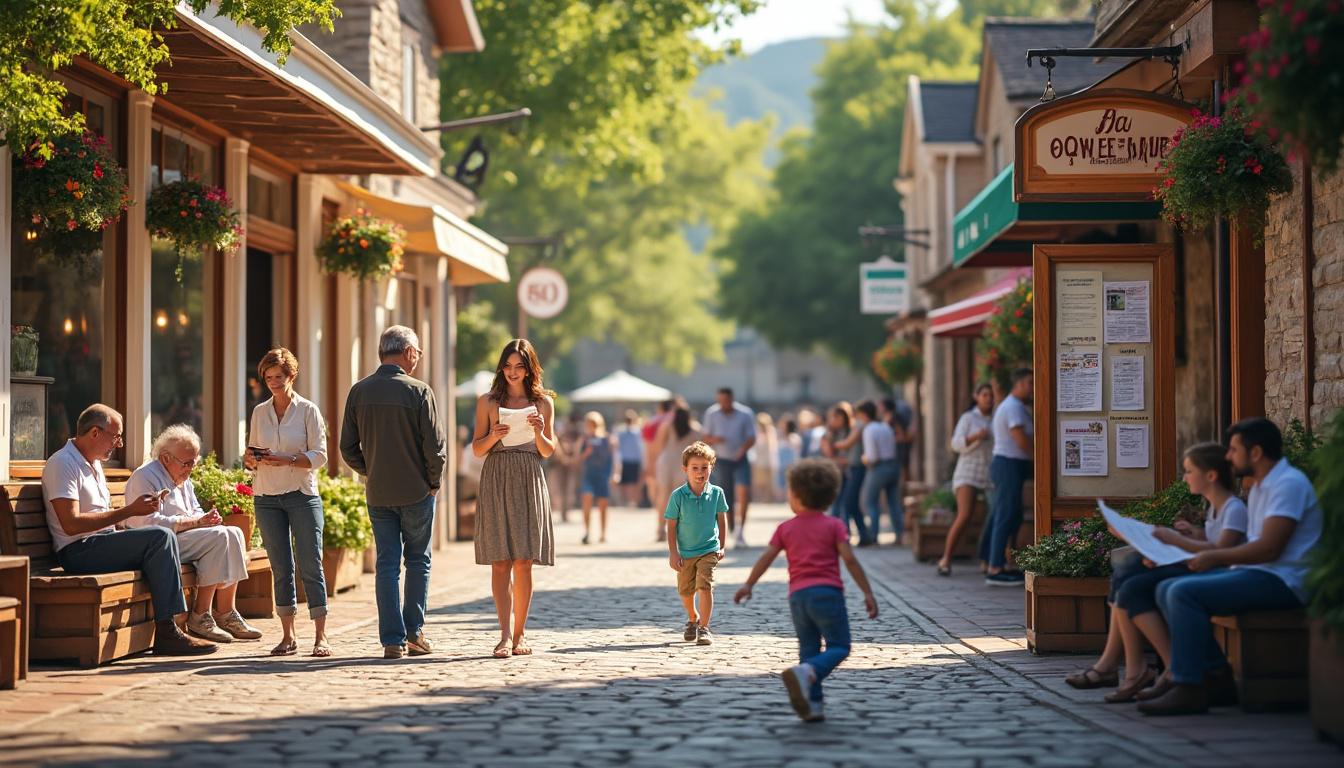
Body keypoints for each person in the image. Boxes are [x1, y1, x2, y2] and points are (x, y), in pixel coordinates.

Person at [1139, 418, 1322, 715]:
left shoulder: (1288, 484)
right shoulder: (1261, 486)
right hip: (1260, 573)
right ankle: (1216, 677)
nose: (1228, 456)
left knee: (1182, 592)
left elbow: (1269, 548)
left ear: (1256, 453)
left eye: (1234, 449)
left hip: (1285, 580)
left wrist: (1215, 557)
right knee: (1165, 588)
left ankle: (1189, 686)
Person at [1067, 442, 1249, 702]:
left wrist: (1174, 540)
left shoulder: (1234, 508)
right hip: (1201, 567)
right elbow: (1211, 541)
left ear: (1211, 475)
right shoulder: (1214, 508)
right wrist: (1189, 536)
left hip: (1215, 574)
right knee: (1129, 570)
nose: (1185, 478)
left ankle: (1152, 668)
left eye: (1189, 471)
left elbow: (1221, 551)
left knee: (1131, 585)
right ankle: (1136, 669)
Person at [41, 404, 216, 655]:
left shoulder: (94, 464)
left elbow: (100, 516)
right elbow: (71, 524)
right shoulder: (63, 463)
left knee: (160, 536)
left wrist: (130, 519)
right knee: (161, 537)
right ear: (94, 433)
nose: (119, 444)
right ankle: (169, 630)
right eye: (116, 436)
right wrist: (129, 511)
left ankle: (172, 627)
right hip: (78, 551)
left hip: (101, 542)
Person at [734, 458, 879, 722]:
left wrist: (749, 584)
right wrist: (867, 592)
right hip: (827, 594)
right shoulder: (834, 525)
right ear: (831, 496)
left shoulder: (785, 528)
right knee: (840, 646)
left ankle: (813, 704)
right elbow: (849, 559)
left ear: (796, 495)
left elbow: (767, 557)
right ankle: (808, 677)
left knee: (809, 650)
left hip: (798, 598)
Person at [340, 328, 446, 660]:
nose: (418, 358)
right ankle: (414, 633)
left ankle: (392, 640)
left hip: (379, 493)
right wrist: (433, 482)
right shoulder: (419, 391)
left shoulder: (359, 391)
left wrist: (371, 470)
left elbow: (347, 447)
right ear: (408, 352)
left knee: (387, 564)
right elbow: (436, 448)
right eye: (418, 352)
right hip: (416, 491)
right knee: (418, 561)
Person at [126, 424, 263, 644]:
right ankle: (200, 615)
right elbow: (146, 522)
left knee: (234, 532)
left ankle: (226, 612)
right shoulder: (145, 477)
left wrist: (207, 519)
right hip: (158, 544)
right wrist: (196, 522)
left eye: (194, 462)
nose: (191, 468)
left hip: (184, 538)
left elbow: (195, 510)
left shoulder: (181, 476)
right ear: (165, 458)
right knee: (219, 538)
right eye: (187, 463)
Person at [472, 338, 557, 658]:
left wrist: (539, 431)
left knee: (523, 561)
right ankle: (504, 636)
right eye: (507, 366)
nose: (512, 372)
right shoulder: (488, 401)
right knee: (499, 561)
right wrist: (492, 435)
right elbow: (477, 449)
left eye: (519, 366)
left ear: (529, 369)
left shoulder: (544, 403)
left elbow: (548, 450)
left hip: (528, 477)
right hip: (496, 476)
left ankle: (520, 634)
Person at [248, 348, 332, 657]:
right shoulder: (259, 412)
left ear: (291, 376)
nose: (273, 383)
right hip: (266, 496)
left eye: (278, 377)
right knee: (281, 567)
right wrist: (250, 459)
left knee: (311, 564)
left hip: (301, 494)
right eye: (268, 377)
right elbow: (252, 453)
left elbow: (320, 455)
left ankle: (321, 636)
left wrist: (289, 459)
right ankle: (288, 636)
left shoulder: (308, 410)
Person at [665, 441, 729, 647]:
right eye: (695, 468)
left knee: (705, 585)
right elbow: (671, 525)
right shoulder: (678, 496)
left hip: (709, 549)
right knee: (685, 591)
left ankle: (704, 627)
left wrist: (722, 545)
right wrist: (673, 553)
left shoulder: (717, 493)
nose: (700, 472)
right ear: (685, 469)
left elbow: (722, 520)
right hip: (686, 552)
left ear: (712, 467)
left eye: (704, 467)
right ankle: (692, 617)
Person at [938, 384, 995, 576]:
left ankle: (987, 558)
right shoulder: (968, 418)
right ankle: (946, 559)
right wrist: (976, 436)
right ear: (976, 396)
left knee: (994, 514)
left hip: (989, 473)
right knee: (964, 515)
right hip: (968, 472)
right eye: (985, 395)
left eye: (991, 395)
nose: (989, 398)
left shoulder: (996, 418)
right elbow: (955, 444)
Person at [985, 368, 1034, 586]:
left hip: (1013, 464)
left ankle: (1003, 564)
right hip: (1008, 464)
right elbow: (1020, 439)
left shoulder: (1016, 406)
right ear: (1020, 384)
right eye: (1030, 383)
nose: (1033, 388)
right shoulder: (1013, 407)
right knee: (1005, 515)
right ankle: (995, 568)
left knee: (1012, 514)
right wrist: (1039, 459)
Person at [702, 387, 756, 547]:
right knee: (726, 497)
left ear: (732, 399)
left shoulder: (745, 414)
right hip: (721, 460)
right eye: (721, 401)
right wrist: (715, 440)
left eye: (726, 400)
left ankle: (741, 530)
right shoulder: (712, 414)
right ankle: (731, 525)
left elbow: (752, 437)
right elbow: (705, 437)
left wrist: (742, 450)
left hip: (740, 459)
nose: (724, 404)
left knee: (744, 491)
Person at [822, 403, 872, 545]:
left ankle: (852, 535)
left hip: (853, 468)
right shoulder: (834, 432)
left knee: (848, 503)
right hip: (842, 470)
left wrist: (835, 446)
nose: (833, 421)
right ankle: (848, 535)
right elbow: (830, 453)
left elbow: (846, 446)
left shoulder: (855, 428)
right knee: (844, 504)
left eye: (836, 418)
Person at [856, 400, 902, 544]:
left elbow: (872, 457)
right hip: (893, 465)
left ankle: (873, 535)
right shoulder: (885, 426)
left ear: (864, 414)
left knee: (870, 502)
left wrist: (863, 459)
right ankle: (899, 535)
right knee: (893, 503)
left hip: (879, 468)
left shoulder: (869, 429)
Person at [653, 405, 702, 533]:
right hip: (683, 463)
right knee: (681, 496)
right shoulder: (694, 428)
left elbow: (659, 445)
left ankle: (660, 527)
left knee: (664, 495)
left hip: (666, 462)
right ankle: (679, 527)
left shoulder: (667, 426)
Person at [578, 411, 617, 545]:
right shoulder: (584, 439)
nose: (591, 427)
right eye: (589, 424)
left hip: (603, 475)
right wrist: (586, 452)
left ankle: (603, 533)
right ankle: (587, 531)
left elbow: (614, 458)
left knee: (603, 504)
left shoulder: (607, 439)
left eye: (594, 424)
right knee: (587, 500)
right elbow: (578, 458)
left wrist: (614, 474)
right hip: (588, 474)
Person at [643, 399, 676, 537]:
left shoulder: (652, 423)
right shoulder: (676, 420)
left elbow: (649, 446)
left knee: (660, 495)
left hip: (659, 461)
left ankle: (661, 525)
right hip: (677, 463)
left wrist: (650, 464)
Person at [616, 410, 644, 507]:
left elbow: (640, 447)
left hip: (634, 460)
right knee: (623, 482)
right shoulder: (621, 432)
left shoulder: (637, 432)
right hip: (624, 460)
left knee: (633, 482)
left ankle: (632, 501)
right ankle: (624, 501)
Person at [752, 412, 780, 503]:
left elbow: (772, 448)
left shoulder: (771, 432)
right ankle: (762, 498)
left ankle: (768, 499)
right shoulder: (758, 433)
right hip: (760, 460)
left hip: (769, 461)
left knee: (769, 482)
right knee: (760, 482)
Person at [776, 417, 801, 501]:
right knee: (781, 483)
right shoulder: (780, 437)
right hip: (781, 465)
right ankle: (781, 500)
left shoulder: (794, 437)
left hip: (791, 465)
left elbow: (796, 451)